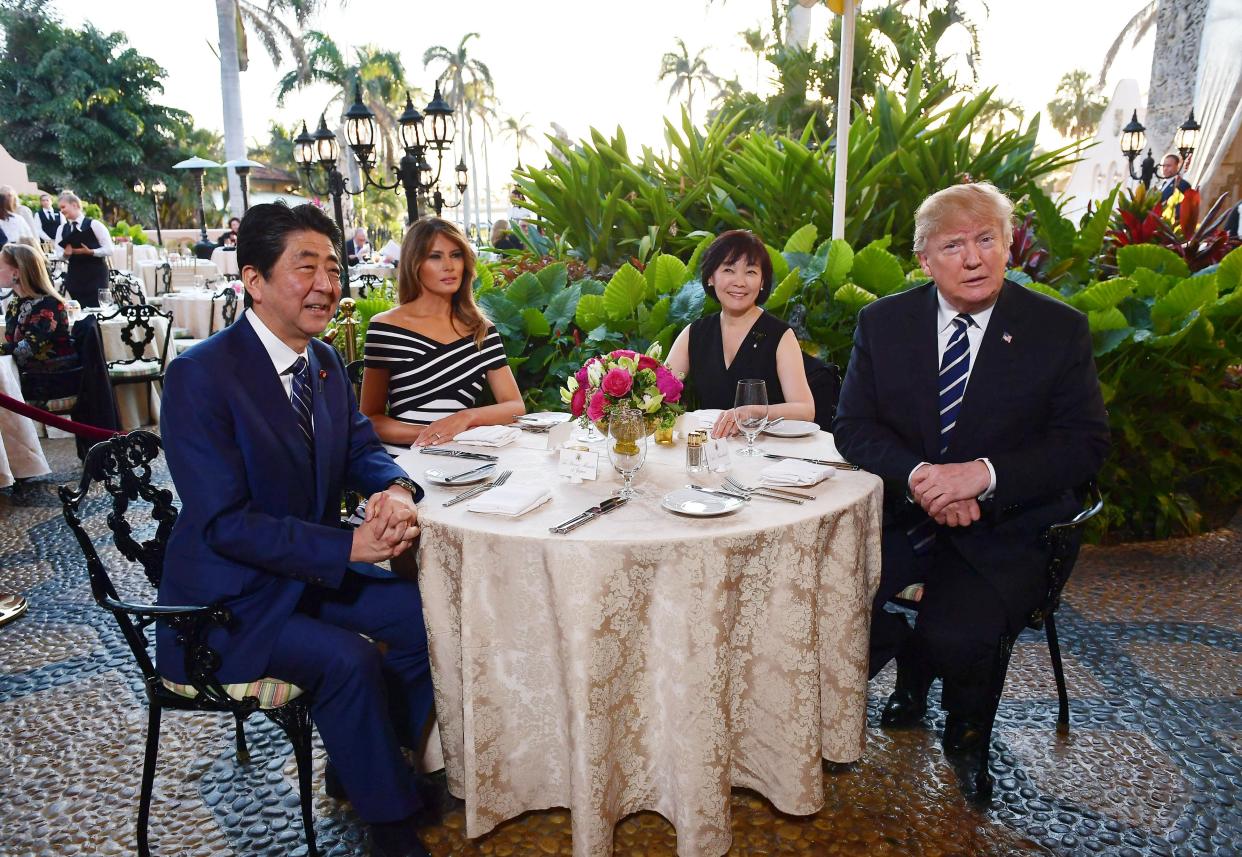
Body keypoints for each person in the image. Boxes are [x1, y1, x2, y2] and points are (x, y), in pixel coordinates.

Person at [157, 202, 436, 857]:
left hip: (305, 575)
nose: (327, 284)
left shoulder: (325, 363)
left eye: (333, 268)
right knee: (348, 658)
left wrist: (391, 486)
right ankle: (390, 823)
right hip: (230, 599)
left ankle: (368, 759)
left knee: (427, 614)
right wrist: (349, 544)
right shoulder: (200, 376)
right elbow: (225, 523)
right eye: (304, 268)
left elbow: (360, 447)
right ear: (254, 281)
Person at [833, 182, 1109, 757]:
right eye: (954, 245)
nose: (974, 258)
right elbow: (854, 428)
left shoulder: (1057, 331)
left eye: (988, 239)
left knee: (958, 634)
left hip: (1006, 525)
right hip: (904, 516)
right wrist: (922, 477)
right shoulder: (883, 324)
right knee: (838, 613)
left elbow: (1082, 445)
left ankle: (967, 724)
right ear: (924, 259)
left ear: (1010, 246)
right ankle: (907, 683)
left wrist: (981, 475)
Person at [361, 217, 525, 446]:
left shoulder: (481, 330)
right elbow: (371, 419)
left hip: (465, 455)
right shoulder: (385, 328)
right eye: (435, 256)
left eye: (456, 255)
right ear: (414, 263)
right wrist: (436, 432)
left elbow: (515, 407)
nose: (449, 265)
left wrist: (465, 418)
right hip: (406, 457)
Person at [666, 229, 814, 438]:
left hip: (765, 453)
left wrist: (754, 412)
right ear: (711, 277)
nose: (740, 281)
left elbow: (806, 410)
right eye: (728, 270)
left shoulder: (780, 335)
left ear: (762, 282)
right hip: (711, 450)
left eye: (751, 272)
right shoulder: (695, 333)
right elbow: (659, 393)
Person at [0, 242, 79, 393]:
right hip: (26, 374)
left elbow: (26, 349)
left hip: (51, 379)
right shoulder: (16, 303)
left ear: (16, 273)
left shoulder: (48, 306)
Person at [53, 191, 113, 308]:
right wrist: (66, 254)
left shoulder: (94, 224)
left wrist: (91, 252)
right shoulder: (62, 229)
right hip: (75, 276)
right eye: (60, 208)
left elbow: (109, 249)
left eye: (63, 207)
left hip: (96, 274)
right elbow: (59, 253)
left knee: (97, 309)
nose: (62, 211)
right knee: (79, 310)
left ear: (74, 205)